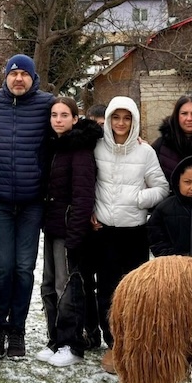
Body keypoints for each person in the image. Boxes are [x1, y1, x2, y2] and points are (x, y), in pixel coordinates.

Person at [0, 54, 55, 360]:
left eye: (24, 74)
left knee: (24, 268)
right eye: (13, 73)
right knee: (2, 267)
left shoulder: (47, 104)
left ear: (34, 78)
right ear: (5, 77)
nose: (18, 78)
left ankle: (17, 330)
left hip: (33, 202)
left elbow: (69, 126)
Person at [91, 96, 169, 374]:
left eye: (126, 118)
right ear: (109, 119)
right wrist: (91, 208)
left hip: (135, 232)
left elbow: (161, 187)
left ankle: (134, 344)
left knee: (135, 293)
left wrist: (137, 198)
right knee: (108, 291)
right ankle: (113, 344)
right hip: (104, 232)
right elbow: (87, 180)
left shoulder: (144, 152)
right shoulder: (97, 146)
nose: (121, 123)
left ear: (134, 120)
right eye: (116, 117)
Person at [36, 97, 100, 367]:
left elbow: (83, 195)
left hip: (69, 230)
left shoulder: (80, 149)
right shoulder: (54, 146)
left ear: (75, 118)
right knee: (49, 285)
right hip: (52, 227)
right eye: (54, 115)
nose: (58, 119)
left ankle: (72, 344)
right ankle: (55, 339)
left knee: (67, 286)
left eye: (64, 115)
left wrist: (76, 233)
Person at [83, 103, 107, 349]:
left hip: (108, 222)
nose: (98, 130)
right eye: (94, 124)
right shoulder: (81, 145)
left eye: (103, 125)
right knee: (86, 281)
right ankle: (90, 329)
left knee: (106, 282)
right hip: (85, 221)